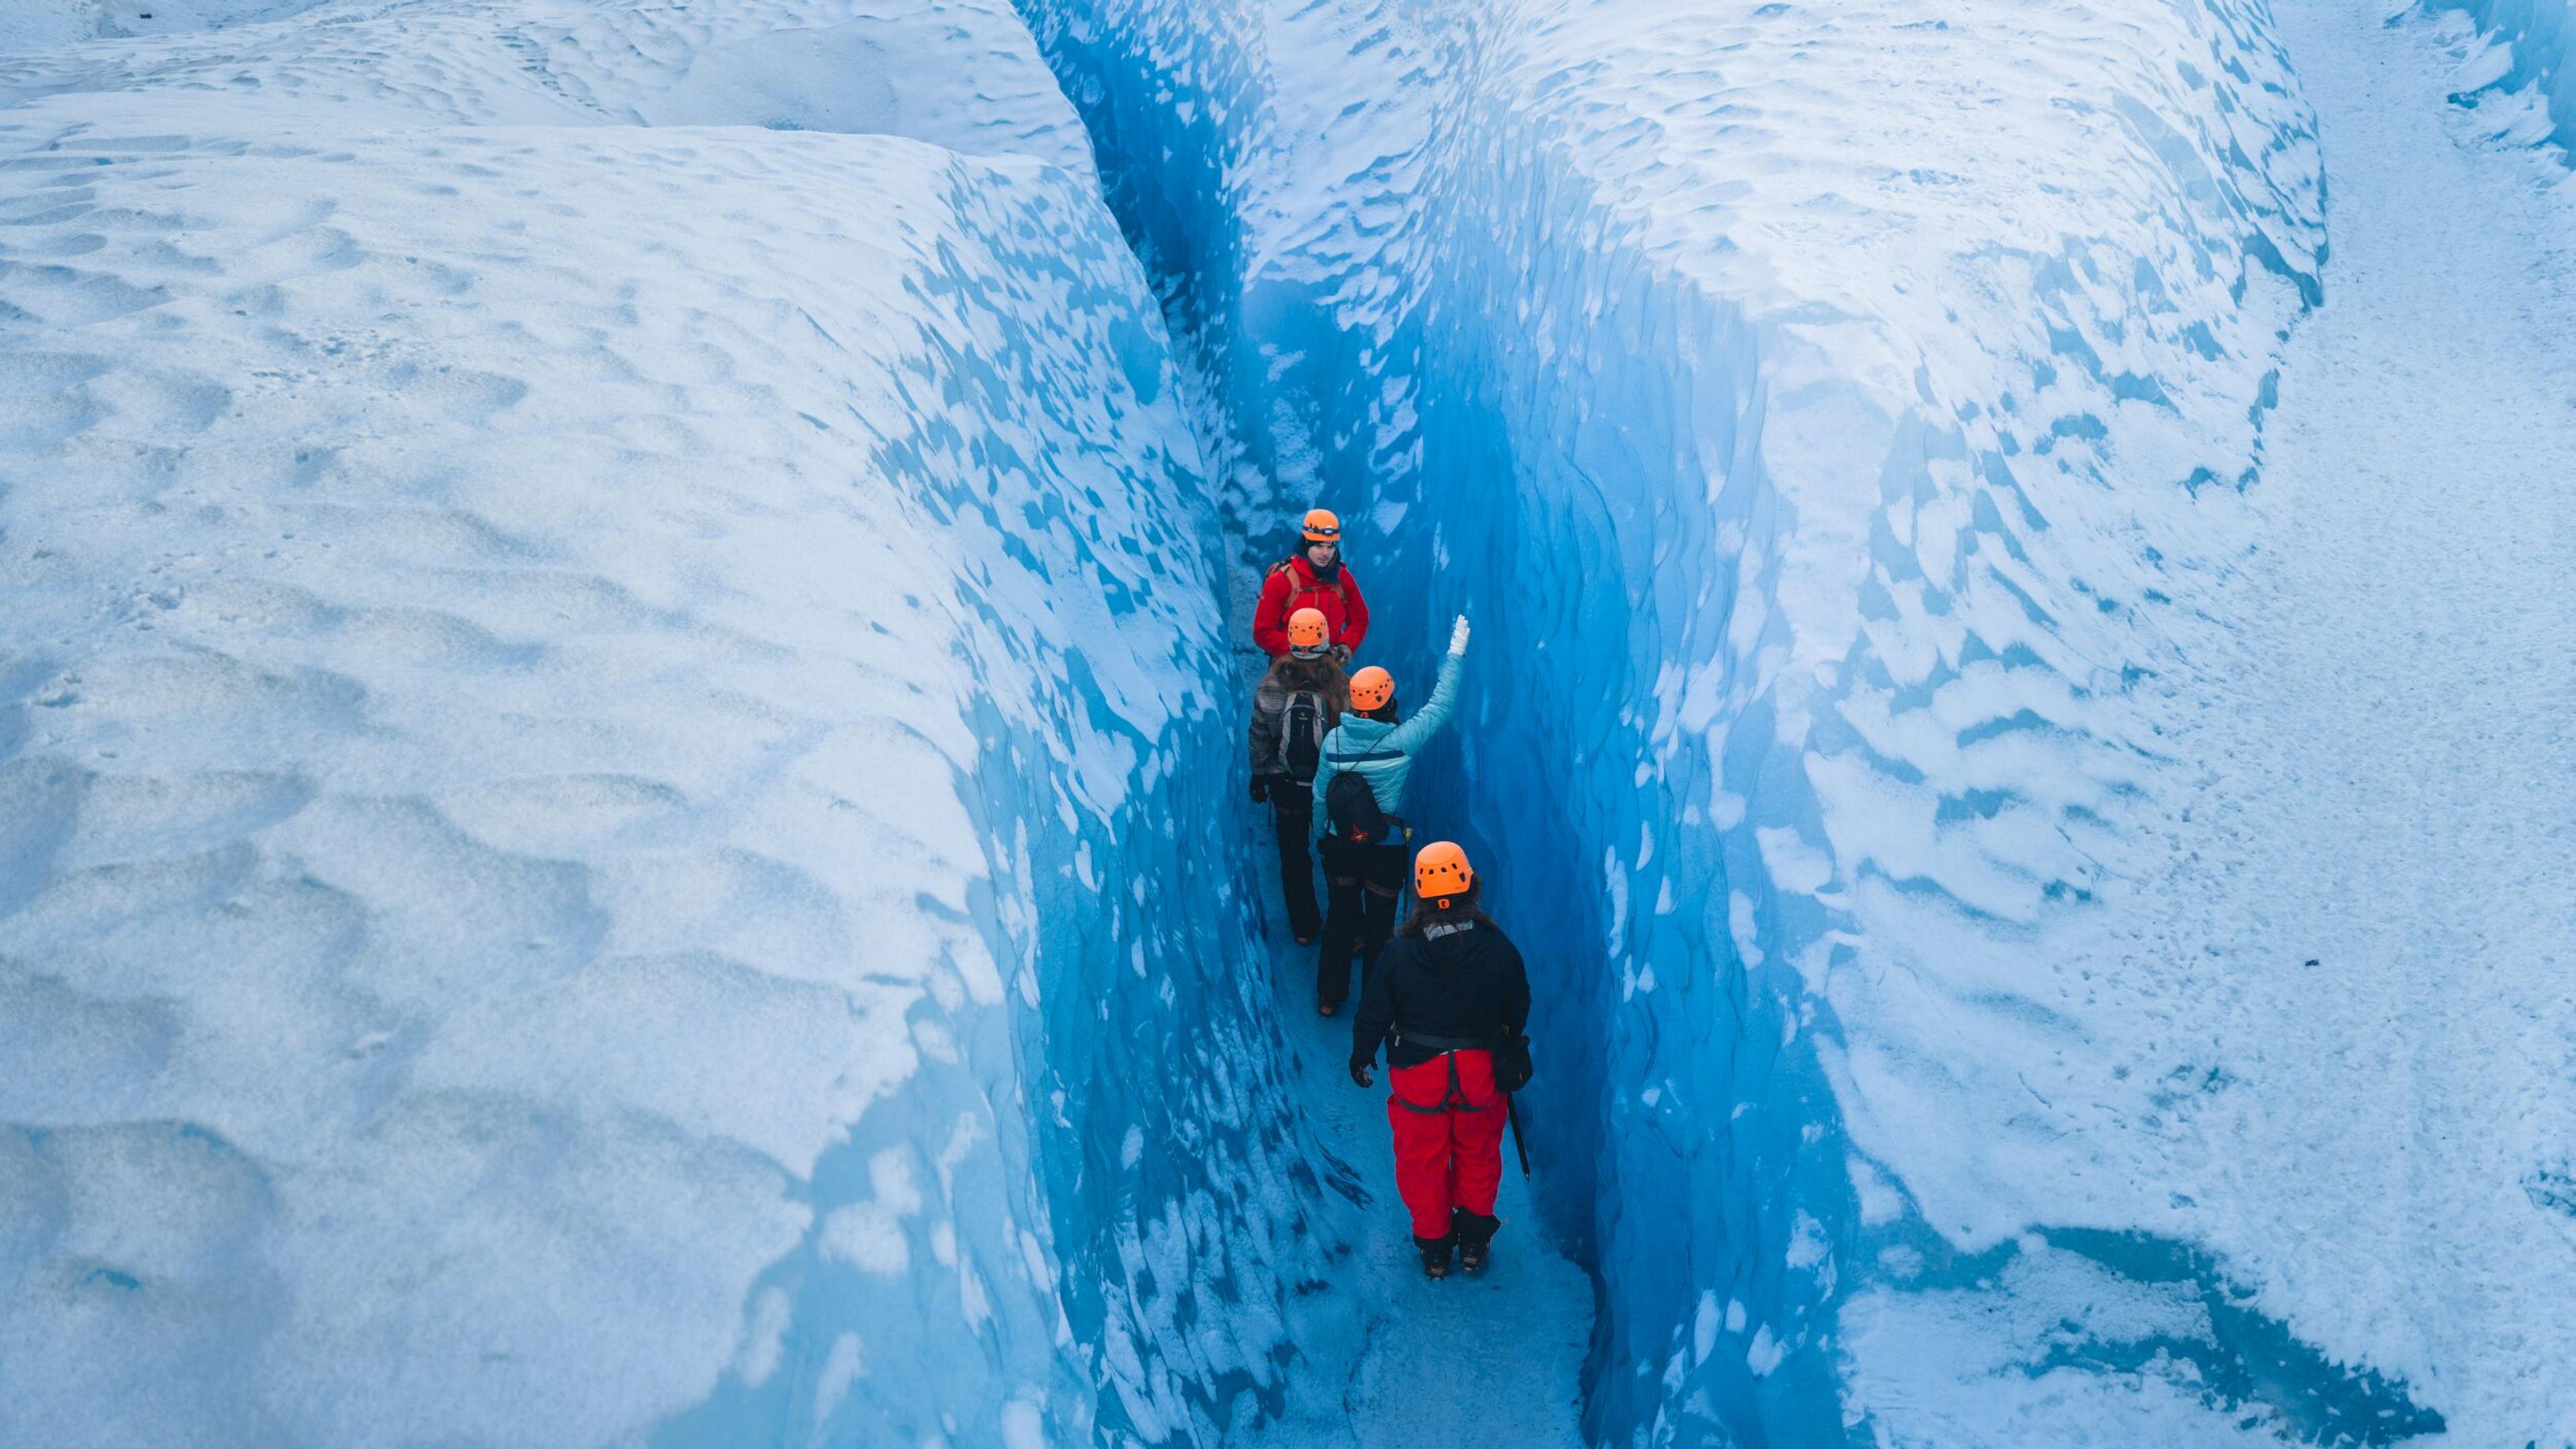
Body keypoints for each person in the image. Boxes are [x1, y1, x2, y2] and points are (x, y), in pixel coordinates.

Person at [1349, 842, 1532, 1279]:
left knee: (1421, 1161)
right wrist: (1502, 1038)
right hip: (1478, 1073)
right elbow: (1517, 1005)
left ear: (1419, 893)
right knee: (1478, 1154)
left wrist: (1362, 1053)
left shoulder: (1400, 951)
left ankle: (1434, 1248)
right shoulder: (1497, 946)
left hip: (1420, 1074)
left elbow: (1375, 1008)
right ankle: (1472, 1240)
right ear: (1471, 886)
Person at [1309, 614, 1469, 1014]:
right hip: (1384, 846)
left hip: (1341, 842)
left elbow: (1319, 796)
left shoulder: (1333, 742)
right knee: (1380, 927)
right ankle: (1376, 1004)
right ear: (1388, 702)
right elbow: (1440, 707)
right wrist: (1455, 653)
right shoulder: (1401, 743)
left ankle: (1330, 997)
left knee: (1341, 918)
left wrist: (1320, 836)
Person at [1248, 608, 1348, 944]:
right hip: (1328, 787)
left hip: (1286, 784)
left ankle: (1305, 927)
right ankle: (1344, 926)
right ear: (1325, 637)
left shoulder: (1272, 685)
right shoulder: (1340, 685)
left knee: (1293, 856)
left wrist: (1259, 773)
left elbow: (1260, 733)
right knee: (1335, 855)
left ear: (1290, 638)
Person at [1253, 508, 1369, 659]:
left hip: (1328, 667)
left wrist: (1346, 644)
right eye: (1319, 547)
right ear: (1306, 545)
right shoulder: (1282, 581)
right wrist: (1303, 653)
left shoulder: (1342, 578)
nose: (1325, 554)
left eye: (1330, 547)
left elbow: (1360, 618)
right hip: (1288, 667)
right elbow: (1262, 632)